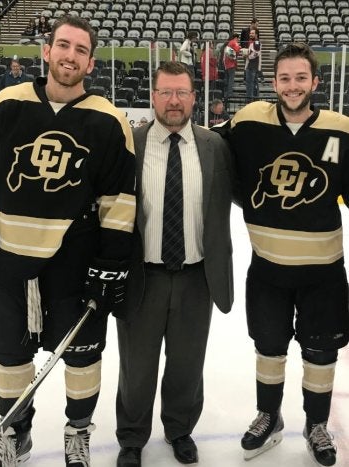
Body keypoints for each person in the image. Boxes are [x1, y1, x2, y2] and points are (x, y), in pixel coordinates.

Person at [0, 15, 136, 466]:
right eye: (63, 45)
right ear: (46, 51)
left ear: (91, 62)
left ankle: (78, 433)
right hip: (12, 260)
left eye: (80, 50)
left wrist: (111, 262)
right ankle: (15, 434)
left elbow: (118, 200)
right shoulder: (6, 105)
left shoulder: (108, 120)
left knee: (82, 355)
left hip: (74, 263)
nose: (70, 55)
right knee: (9, 355)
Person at [213, 42, 349, 467]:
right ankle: (269, 416)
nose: (292, 86)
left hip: (324, 272)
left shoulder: (341, 129)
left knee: (320, 352)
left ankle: (316, 424)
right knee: (269, 347)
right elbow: (211, 152)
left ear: (315, 82)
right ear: (274, 82)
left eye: (301, 78)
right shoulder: (250, 121)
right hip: (268, 269)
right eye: (285, 78)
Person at [115, 61, 234, 467]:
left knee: (187, 363)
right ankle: (132, 438)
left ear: (194, 97)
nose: (173, 100)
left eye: (182, 92)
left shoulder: (214, 146)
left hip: (195, 276)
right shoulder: (130, 143)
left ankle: (179, 429)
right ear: (153, 96)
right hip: (142, 276)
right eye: (165, 92)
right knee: (137, 367)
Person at [223, 33, 242, 100]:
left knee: (228, 79)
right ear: (236, 38)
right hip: (231, 64)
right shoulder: (234, 42)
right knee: (231, 79)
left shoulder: (229, 43)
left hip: (227, 64)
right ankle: (230, 93)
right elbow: (237, 50)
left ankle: (227, 93)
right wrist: (240, 48)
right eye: (238, 39)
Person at [244, 28, 262, 102]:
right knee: (253, 84)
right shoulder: (252, 42)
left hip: (252, 66)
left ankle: (249, 101)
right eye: (250, 33)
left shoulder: (256, 42)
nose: (250, 34)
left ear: (256, 35)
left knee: (250, 85)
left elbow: (256, 53)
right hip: (252, 66)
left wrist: (248, 55)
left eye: (252, 33)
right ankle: (255, 100)